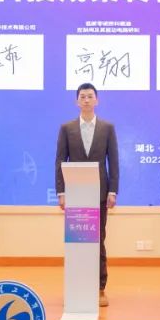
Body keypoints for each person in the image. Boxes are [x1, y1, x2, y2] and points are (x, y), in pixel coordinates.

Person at [55, 83, 119, 307]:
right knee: (76, 241)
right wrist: (61, 192)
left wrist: (113, 190)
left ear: (97, 100)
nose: (86, 100)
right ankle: (76, 286)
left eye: (90, 96)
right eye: (82, 96)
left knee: (98, 240)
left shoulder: (107, 128)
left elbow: (113, 162)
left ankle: (100, 288)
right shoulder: (66, 128)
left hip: (100, 194)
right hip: (75, 194)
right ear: (77, 101)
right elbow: (60, 160)